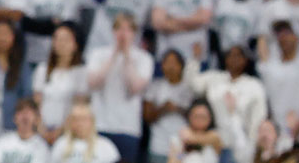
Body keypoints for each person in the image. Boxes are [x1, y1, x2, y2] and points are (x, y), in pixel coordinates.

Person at [85, 14, 153, 163]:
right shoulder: (98, 54)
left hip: (128, 128)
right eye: (119, 28)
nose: (123, 34)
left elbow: (135, 87)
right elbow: (93, 83)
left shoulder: (144, 58)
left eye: (128, 30)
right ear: (113, 31)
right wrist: (114, 55)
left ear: (134, 33)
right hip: (100, 125)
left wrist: (127, 56)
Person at [183, 46, 263, 159]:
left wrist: (251, 147)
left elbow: (258, 119)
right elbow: (193, 85)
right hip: (213, 143)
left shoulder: (254, 85)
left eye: (238, 55)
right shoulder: (215, 78)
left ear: (246, 60)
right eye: (230, 55)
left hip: (240, 145)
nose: (234, 59)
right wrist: (195, 60)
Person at [257, 20, 299, 146]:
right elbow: (267, 103)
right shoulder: (270, 67)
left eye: (287, 33)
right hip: (277, 136)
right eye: (279, 33)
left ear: (296, 36)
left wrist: (297, 131)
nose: (283, 37)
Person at [32, 23, 88, 145]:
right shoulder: (42, 69)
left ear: (76, 44)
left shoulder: (81, 72)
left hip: (68, 132)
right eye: (56, 38)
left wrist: (60, 131)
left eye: (66, 39)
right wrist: (41, 129)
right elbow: (37, 103)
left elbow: (78, 106)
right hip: (42, 131)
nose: (60, 43)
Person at [143, 50, 192, 163]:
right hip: (158, 147)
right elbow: (147, 117)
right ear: (162, 66)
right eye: (167, 62)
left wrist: (179, 109)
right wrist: (163, 109)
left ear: (182, 66)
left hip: (182, 148)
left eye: (174, 63)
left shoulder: (189, 88)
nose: (171, 67)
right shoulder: (155, 86)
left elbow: (197, 118)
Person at [49, 103, 121, 163]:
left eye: (84, 119)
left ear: (92, 122)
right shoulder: (60, 144)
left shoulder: (106, 145)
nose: (80, 124)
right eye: (76, 120)